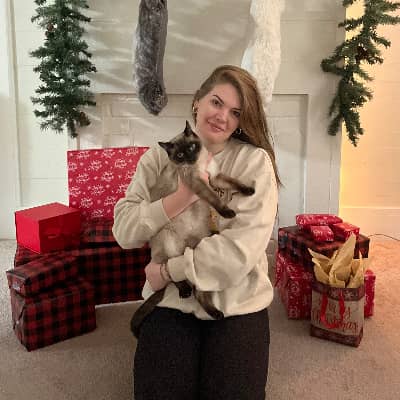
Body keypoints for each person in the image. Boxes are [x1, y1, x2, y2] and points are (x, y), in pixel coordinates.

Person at [112, 65, 280, 400]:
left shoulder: (254, 162)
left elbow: (237, 254)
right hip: (173, 298)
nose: (222, 117)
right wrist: (181, 197)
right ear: (197, 102)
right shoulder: (157, 158)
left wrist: (167, 271)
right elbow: (124, 231)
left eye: (235, 112)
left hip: (236, 298)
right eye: (216, 102)